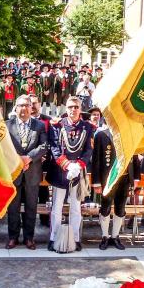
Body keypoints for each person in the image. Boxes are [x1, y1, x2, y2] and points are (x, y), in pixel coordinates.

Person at [47, 96, 93, 252]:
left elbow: (88, 150)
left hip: (77, 173)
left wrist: (78, 166)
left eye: (76, 107)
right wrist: (67, 165)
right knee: (56, 208)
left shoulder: (87, 127)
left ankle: (75, 238)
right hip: (60, 172)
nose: (73, 110)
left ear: (80, 109)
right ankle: (54, 238)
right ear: (65, 108)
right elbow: (54, 147)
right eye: (70, 107)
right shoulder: (57, 125)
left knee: (76, 208)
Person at [5, 95, 48, 250]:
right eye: (20, 105)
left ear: (32, 108)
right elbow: (4, 147)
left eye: (27, 105)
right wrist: (18, 160)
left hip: (32, 171)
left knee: (31, 207)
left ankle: (29, 238)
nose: (23, 108)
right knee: (13, 207)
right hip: (14, 172)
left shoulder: (40, 125)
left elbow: (44, 146)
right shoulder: (7, 125)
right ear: (15, 108)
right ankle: (13, 237)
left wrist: (28, 158)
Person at [92, 126, 140, 251]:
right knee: (105, 207)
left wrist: (136, 178)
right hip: (108, 179)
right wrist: (96, 182)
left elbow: (134, 156)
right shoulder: (101, 135)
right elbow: (96, 160)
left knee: (120, 208)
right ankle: (104, 236)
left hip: (125, 177)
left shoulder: (129, 132)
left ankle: (115, 236)